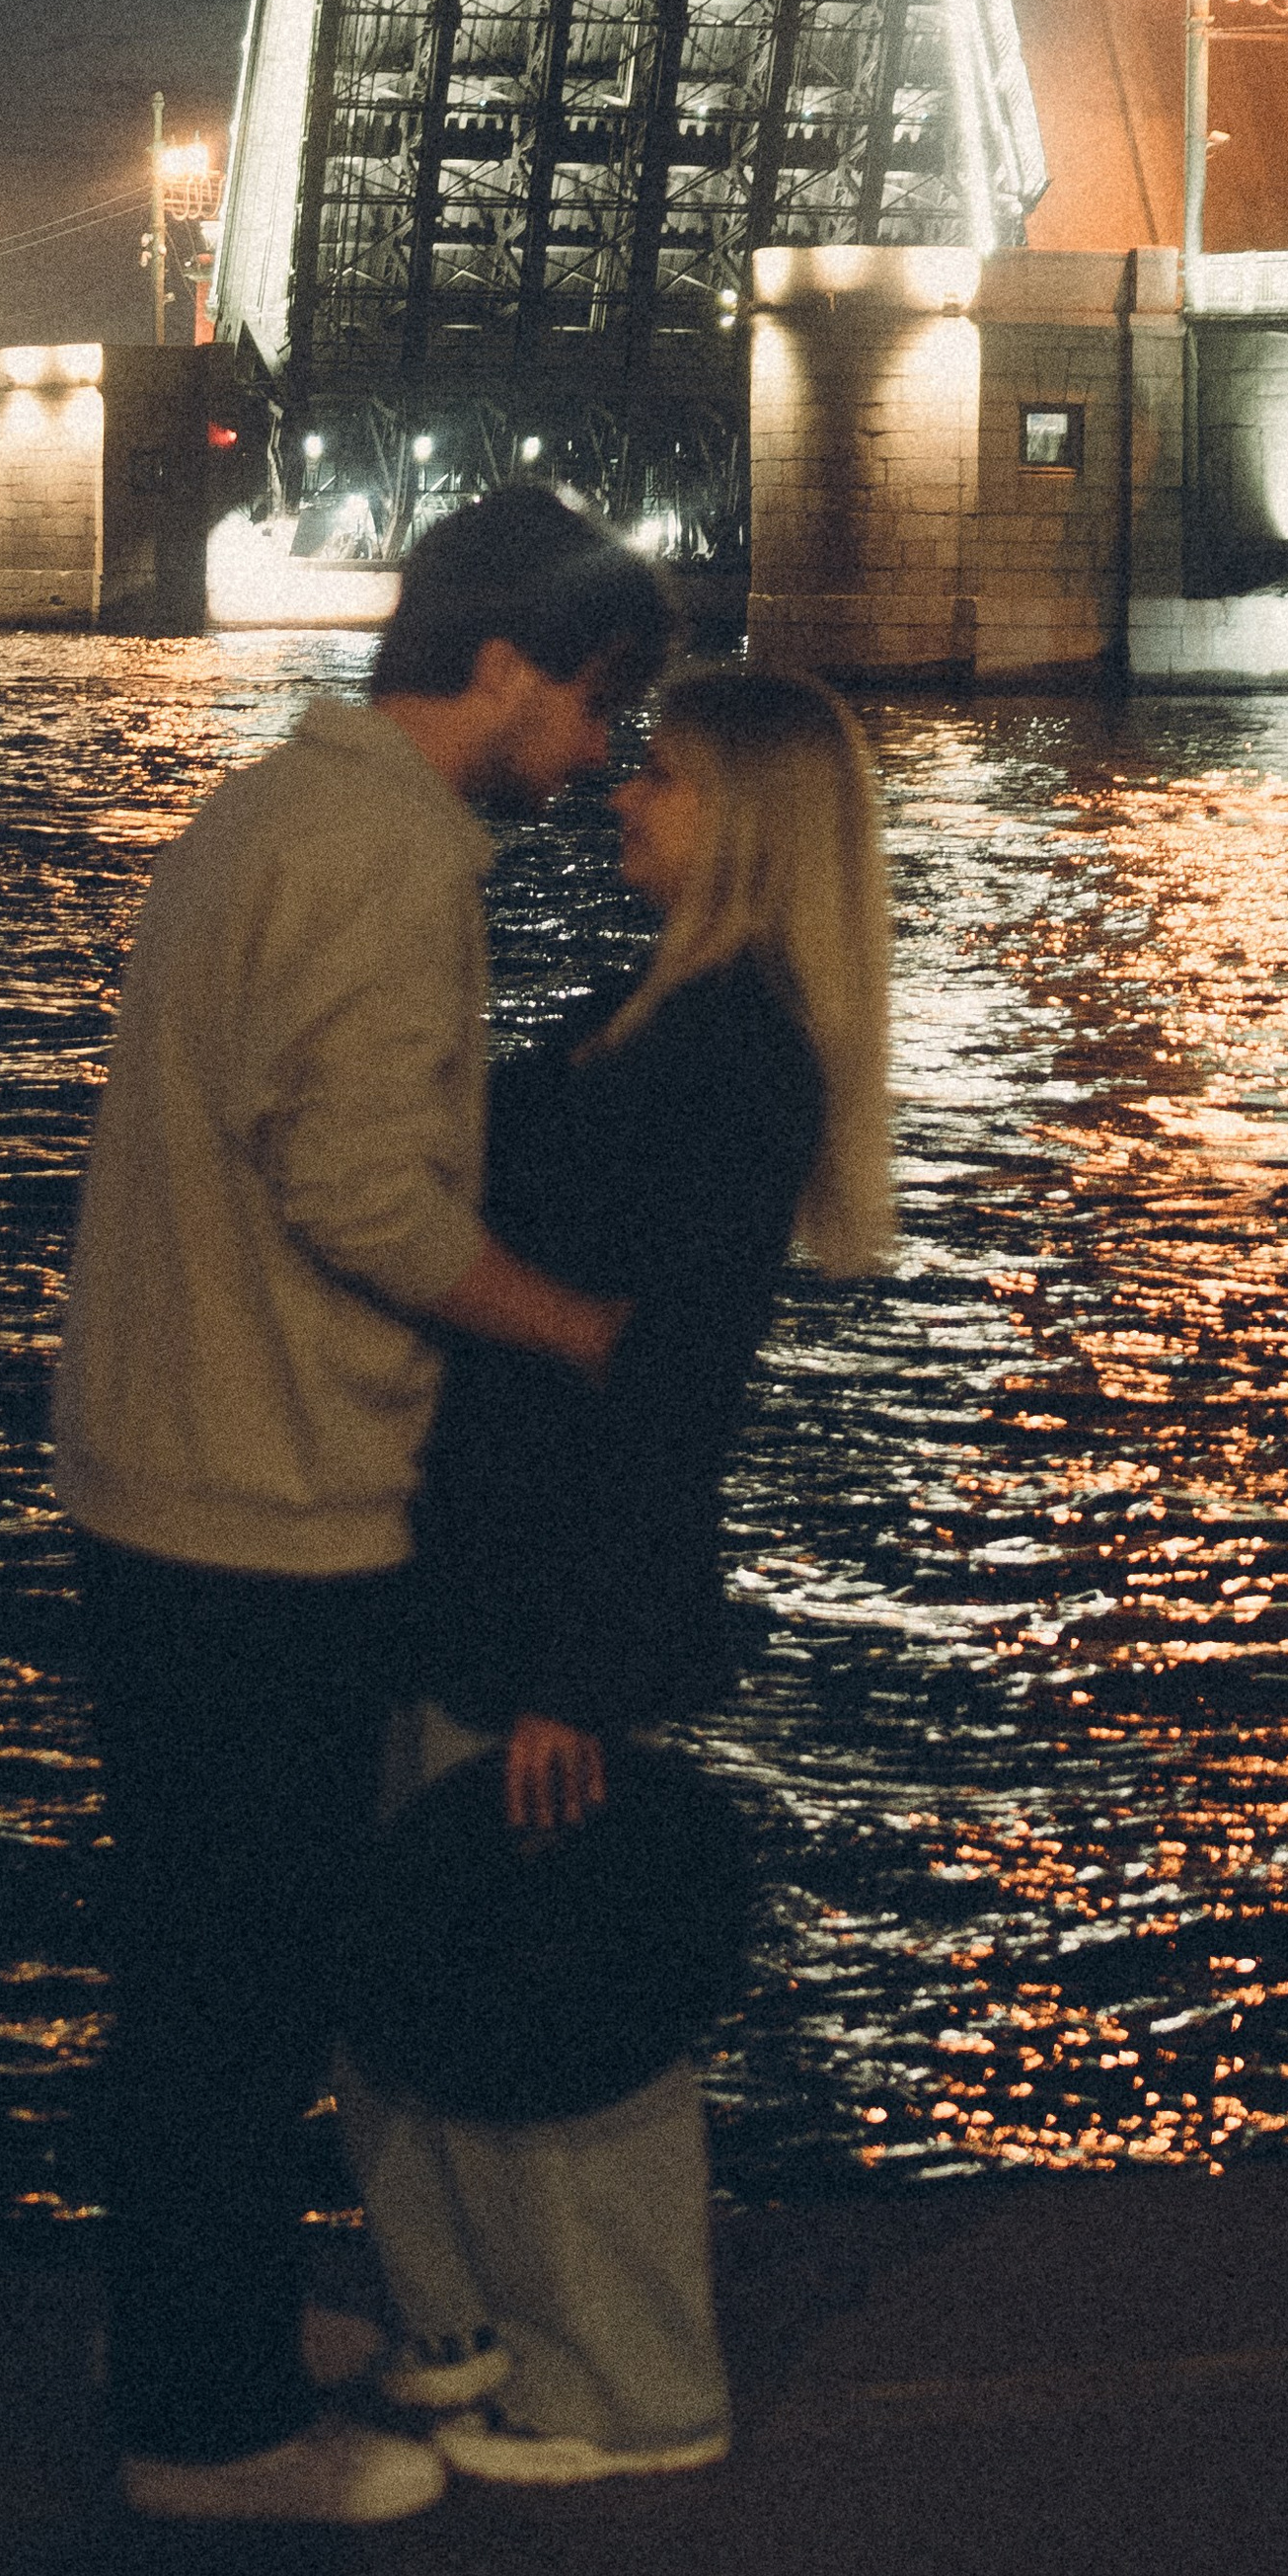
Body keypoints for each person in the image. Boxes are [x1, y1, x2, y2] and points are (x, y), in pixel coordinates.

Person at [53, 484, 674, 2526]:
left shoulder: (265, 808)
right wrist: (575, 1325)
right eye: (589, 708)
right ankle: (212, 2435)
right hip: (266, 1502)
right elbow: (357, 1194)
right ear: (497, 668)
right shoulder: (395, 863)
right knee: (239, 1990)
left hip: (153, 1466)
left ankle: (200, 2330)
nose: (592, 758)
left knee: (189, 1963)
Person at [340, 666, 894, 2484]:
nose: (622, 796)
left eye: (659, 775)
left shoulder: (720, 1055)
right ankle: (493, 2334)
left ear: (745, 819)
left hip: (548, 1579)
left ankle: (636, 2393)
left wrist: (577, 1669)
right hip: (503, 1550)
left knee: (553, 1992)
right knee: (465, 1958)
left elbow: (668, 1382)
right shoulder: (675, 1017)